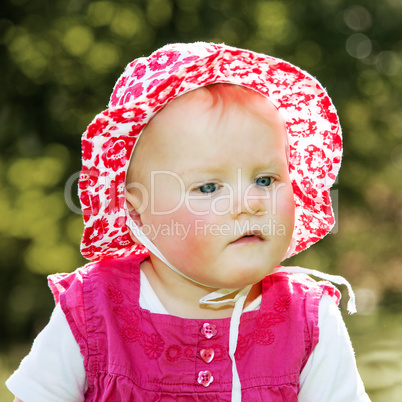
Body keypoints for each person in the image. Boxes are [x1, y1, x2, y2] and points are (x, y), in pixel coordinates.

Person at [6, 42, 370, 401]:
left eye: (265, 180)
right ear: (138, 213)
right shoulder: (93, 312)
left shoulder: (308, 321)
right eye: (209, 187)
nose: (250, 204)